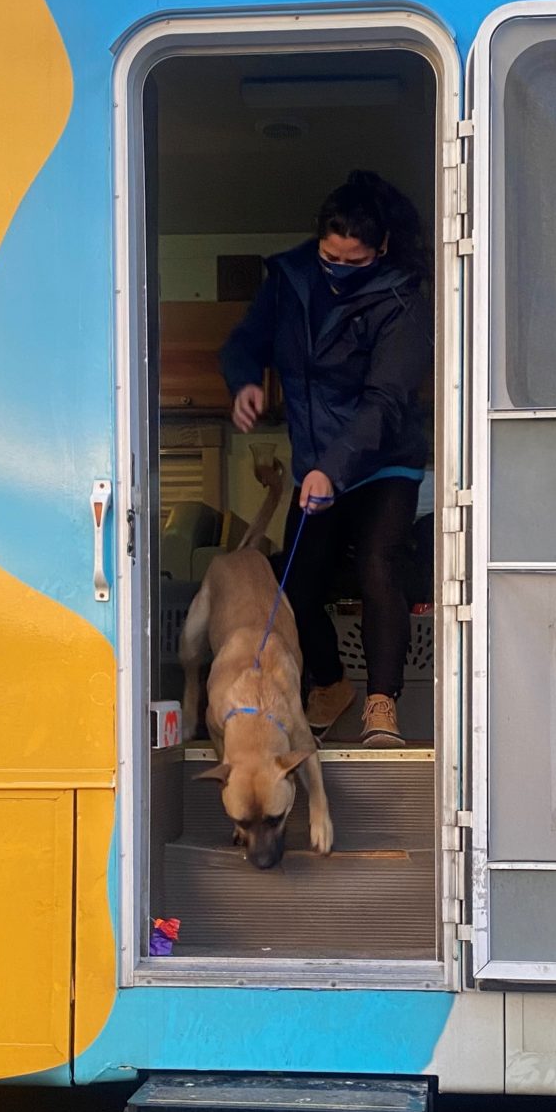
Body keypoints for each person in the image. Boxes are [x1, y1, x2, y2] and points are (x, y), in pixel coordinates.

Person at [221, 170, 431, 749]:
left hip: (383, 459)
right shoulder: (290, 280)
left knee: (378, 567)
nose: (338, 269)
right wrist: (245, 380)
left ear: (380, 248)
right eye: (329, 256)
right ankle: (332, 683)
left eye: (352, 261)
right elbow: (245, 341)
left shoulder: (402, 301)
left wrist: (332, 470)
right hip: (317, 461)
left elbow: (385, 401)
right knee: (298, 586)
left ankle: (382, 704)